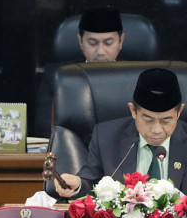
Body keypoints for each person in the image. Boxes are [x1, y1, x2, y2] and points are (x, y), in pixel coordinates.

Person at [54, 67, 187, 208]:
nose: (157, 130)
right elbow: (90, 183)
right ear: (133, 111)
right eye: (148, 120)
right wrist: (77, 185)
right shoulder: (107, 137)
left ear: (179, 112)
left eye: (166, 120)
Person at [34, 8, 126, 137]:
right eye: (92, 43)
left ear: (121, 41)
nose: (100, 51)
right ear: (80, 41)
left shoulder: (137, 75)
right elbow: (43, 124)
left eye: (108, 43)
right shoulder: (58, 75)